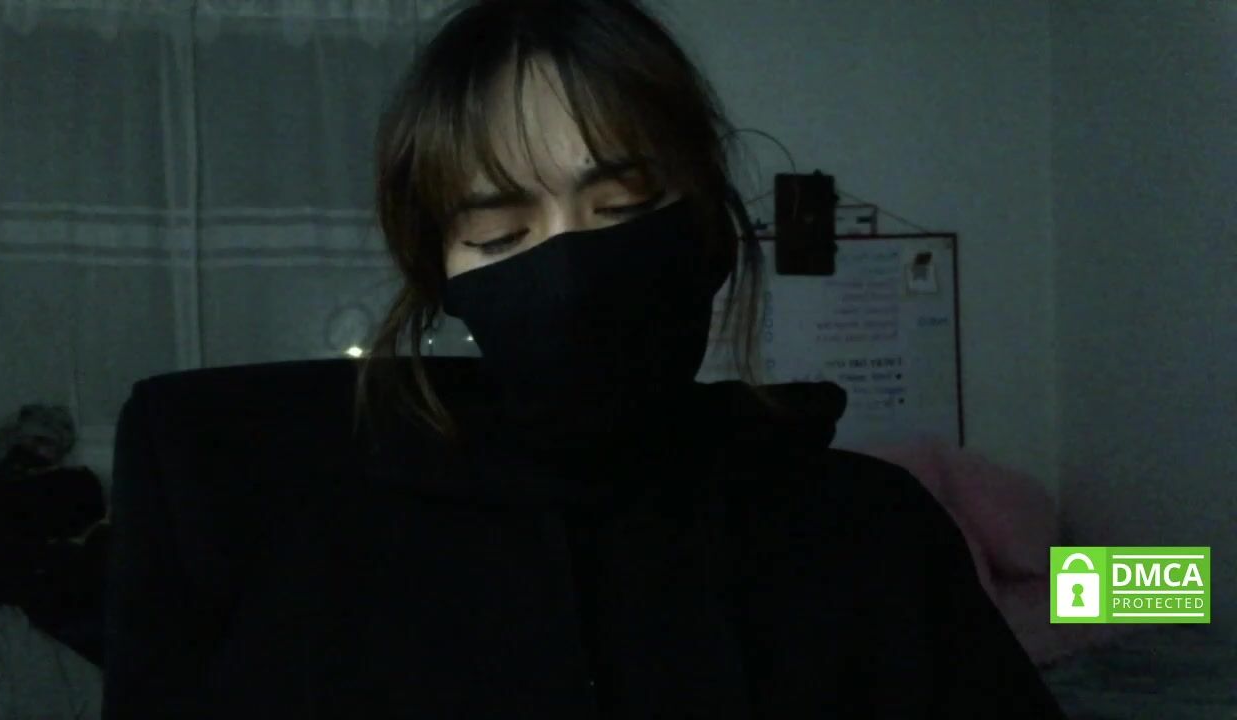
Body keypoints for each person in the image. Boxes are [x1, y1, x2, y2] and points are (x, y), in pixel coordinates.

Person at [102, 0, 1068, 717]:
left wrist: (1136, 587)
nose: (570, 273)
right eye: (500, 236)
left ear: (709, 231)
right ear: (442, 277)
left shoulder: (873, 531)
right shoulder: (294, 539)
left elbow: (1101, 592)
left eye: (623, 210)